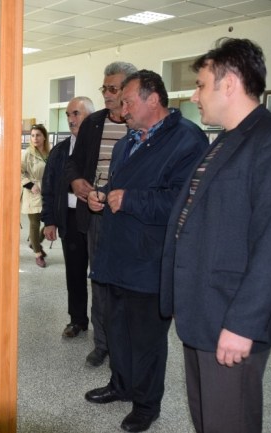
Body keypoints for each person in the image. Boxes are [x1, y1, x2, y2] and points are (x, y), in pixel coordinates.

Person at [160, 38, 271, 433]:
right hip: (203, 308)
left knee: (230, 422)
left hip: (232, 316)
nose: (194, 95)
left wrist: (244, 324)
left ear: (228, 84)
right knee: (207, 418)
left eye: (199, 84)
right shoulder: (225, 139)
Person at [85, 70, 207, 433]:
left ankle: (146, 403)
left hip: (151, 259)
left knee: (147, 338)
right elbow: (118, 188)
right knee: (117, 328)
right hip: (116, 253)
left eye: (127, 101)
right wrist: (100, 195)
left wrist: (131, 199)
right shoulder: (128, 141)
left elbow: (186, 202)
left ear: (153, 99)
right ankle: (120, 384)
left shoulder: (187, 141)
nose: (121, 109)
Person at [64, 61, 137, 359]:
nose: (107, 95)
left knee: (128, 285)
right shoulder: (93, 124)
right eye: (104, 88)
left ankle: (125, 346)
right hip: (96, 215)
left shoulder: (139, 125)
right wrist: (78, 183)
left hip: (131, 218)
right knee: (100, 280)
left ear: (131, 90)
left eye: (113, 88)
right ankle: (102, 344)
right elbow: (73, 163)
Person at [41, 96, 95, 336]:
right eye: (69, 115)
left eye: (77, 114)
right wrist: (49, 220)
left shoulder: (102, 146)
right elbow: (49, 187)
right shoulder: (60, 152)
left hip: (98, 218)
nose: (72, 120)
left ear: (91, 117)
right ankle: (77, 320)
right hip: (70, 219)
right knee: (74, 272)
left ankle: (105, 330)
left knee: (102, 275)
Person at [21, 124, 51, 267]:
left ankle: (35, 243)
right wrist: (30, 185)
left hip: (47, 192)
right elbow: (18, 172)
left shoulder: (49, 153)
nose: (35, 138)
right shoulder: (27, 153)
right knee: (34, 223)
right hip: (32, 192)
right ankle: (38, 254)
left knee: (50, 222)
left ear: (44, 137)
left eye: (38, 135)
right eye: (32, 135)